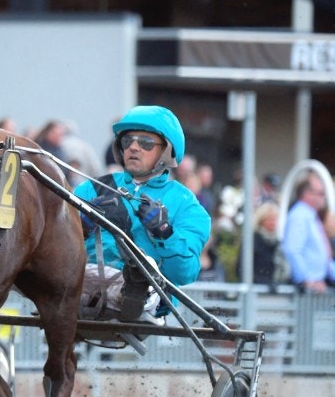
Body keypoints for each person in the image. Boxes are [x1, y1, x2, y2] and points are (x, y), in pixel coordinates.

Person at [74, 105, 211, 322]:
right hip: (83, 280)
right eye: (128, 142)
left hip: (145, 300)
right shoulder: (91, 189)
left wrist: (164, 232)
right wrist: (78, 227)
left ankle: (135, 286)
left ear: (166, 150)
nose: (134, 148)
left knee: (139, 280)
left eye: (145, 143)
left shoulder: (187, 205)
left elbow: (184, 273)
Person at [282, 170, 335, 293]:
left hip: (317, 286)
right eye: (321, 193)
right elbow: (292, 250)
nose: (324, 198)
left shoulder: (311, 216)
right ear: (308, 194)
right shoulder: (300, 216)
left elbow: (324, 258)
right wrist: (306, 280)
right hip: (306, 291)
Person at [238, 201, 287, 286]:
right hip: (255, 291)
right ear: (261, 220)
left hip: (274, 291)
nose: (273, 223)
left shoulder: (277, 242)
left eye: (275, 219)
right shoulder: (252, 241)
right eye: (269, 219)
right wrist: (265, 283)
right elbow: (241, 268)